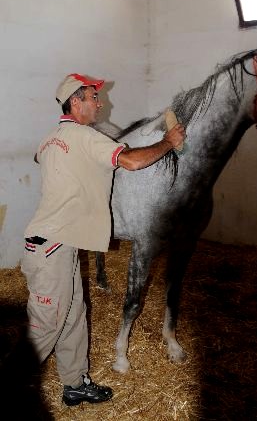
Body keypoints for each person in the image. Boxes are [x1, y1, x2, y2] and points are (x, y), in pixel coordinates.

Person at [22, 73, 186, 406]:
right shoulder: (84, 136)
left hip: (57, 244)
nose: (100, 102)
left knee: (73, 316)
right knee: (45, 327)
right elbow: (132, 162)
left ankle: (75, 383)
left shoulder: (51, 137)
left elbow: (45, 159)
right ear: (75, 102)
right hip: (51, 248)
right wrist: (169, 142)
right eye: (93, 97)